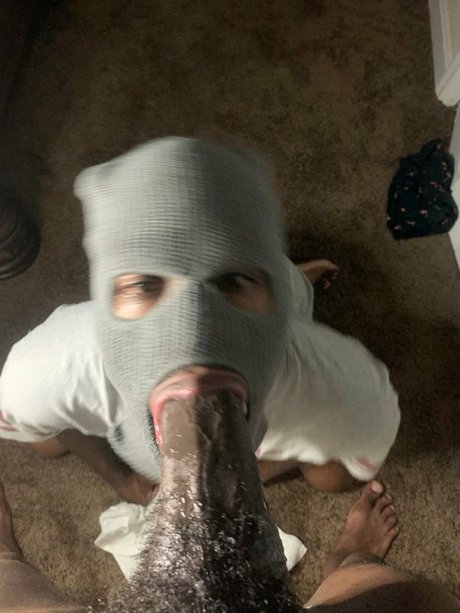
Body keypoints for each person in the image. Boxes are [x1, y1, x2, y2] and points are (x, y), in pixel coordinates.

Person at [0, 138, 400, 506]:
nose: (191, 338)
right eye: (146, 284)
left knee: (332, 476)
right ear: (105, 299)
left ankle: (292, 280)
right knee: (43, 441)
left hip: (284, 315)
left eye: (229, 282)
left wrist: (250, 473)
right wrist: (122, 480)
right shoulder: (45, 370)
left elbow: (357, 451)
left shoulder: (343, 386)